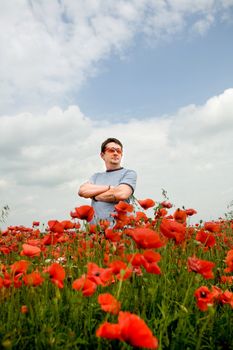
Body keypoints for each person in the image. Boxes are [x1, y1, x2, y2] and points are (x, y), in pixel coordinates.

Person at [78, 137, 137, 223]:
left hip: (118, 230)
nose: (116, 153)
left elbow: (122, 194)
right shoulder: (96, 176)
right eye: (111, 150)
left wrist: (94, 196)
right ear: (102, 155)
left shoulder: (129, 173)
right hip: (95, 232)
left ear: (122, 155)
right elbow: (82, 191)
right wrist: (109, 188)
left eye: (118, 151)